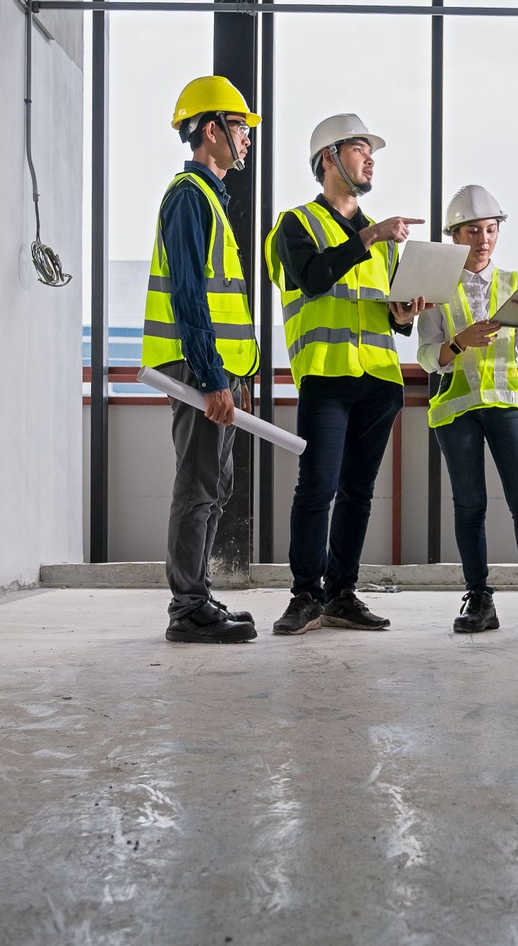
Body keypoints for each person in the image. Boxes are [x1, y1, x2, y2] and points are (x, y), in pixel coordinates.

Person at [264, 114, 427, 636]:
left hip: (379, 380)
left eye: (371, 150)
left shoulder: (384, 242)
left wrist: (403, 316)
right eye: (359, 148)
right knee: (317, 489)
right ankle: (305, 593)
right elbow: (312, 279)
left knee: (359, 492)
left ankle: (341, 593)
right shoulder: (294, 225)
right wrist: (372, 234)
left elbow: (387, 315)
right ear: (328, 159)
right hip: (327, 378)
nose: (370, 157)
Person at [417, 185, 518, 637]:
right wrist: (458, 342)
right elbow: (427, 356)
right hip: (458, 410)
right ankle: (479, 600)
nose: (483, 239)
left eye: (491, 230)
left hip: (508, 404)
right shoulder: (435, 290)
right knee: (469, 506)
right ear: (454, 235)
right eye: (473, 230)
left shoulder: (516, 282)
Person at [142, 76, 262, 644]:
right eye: (239, 127)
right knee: (197, 485)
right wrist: (213, 378)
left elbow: (219, 305)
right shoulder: (190, 198)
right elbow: (190, 296)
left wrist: (234, 378)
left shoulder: (210, 199)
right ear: (210, 130)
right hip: (198, 373)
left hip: (216, 374)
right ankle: (187, 607)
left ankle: (199, 596)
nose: (245, 138)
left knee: (214, 486)